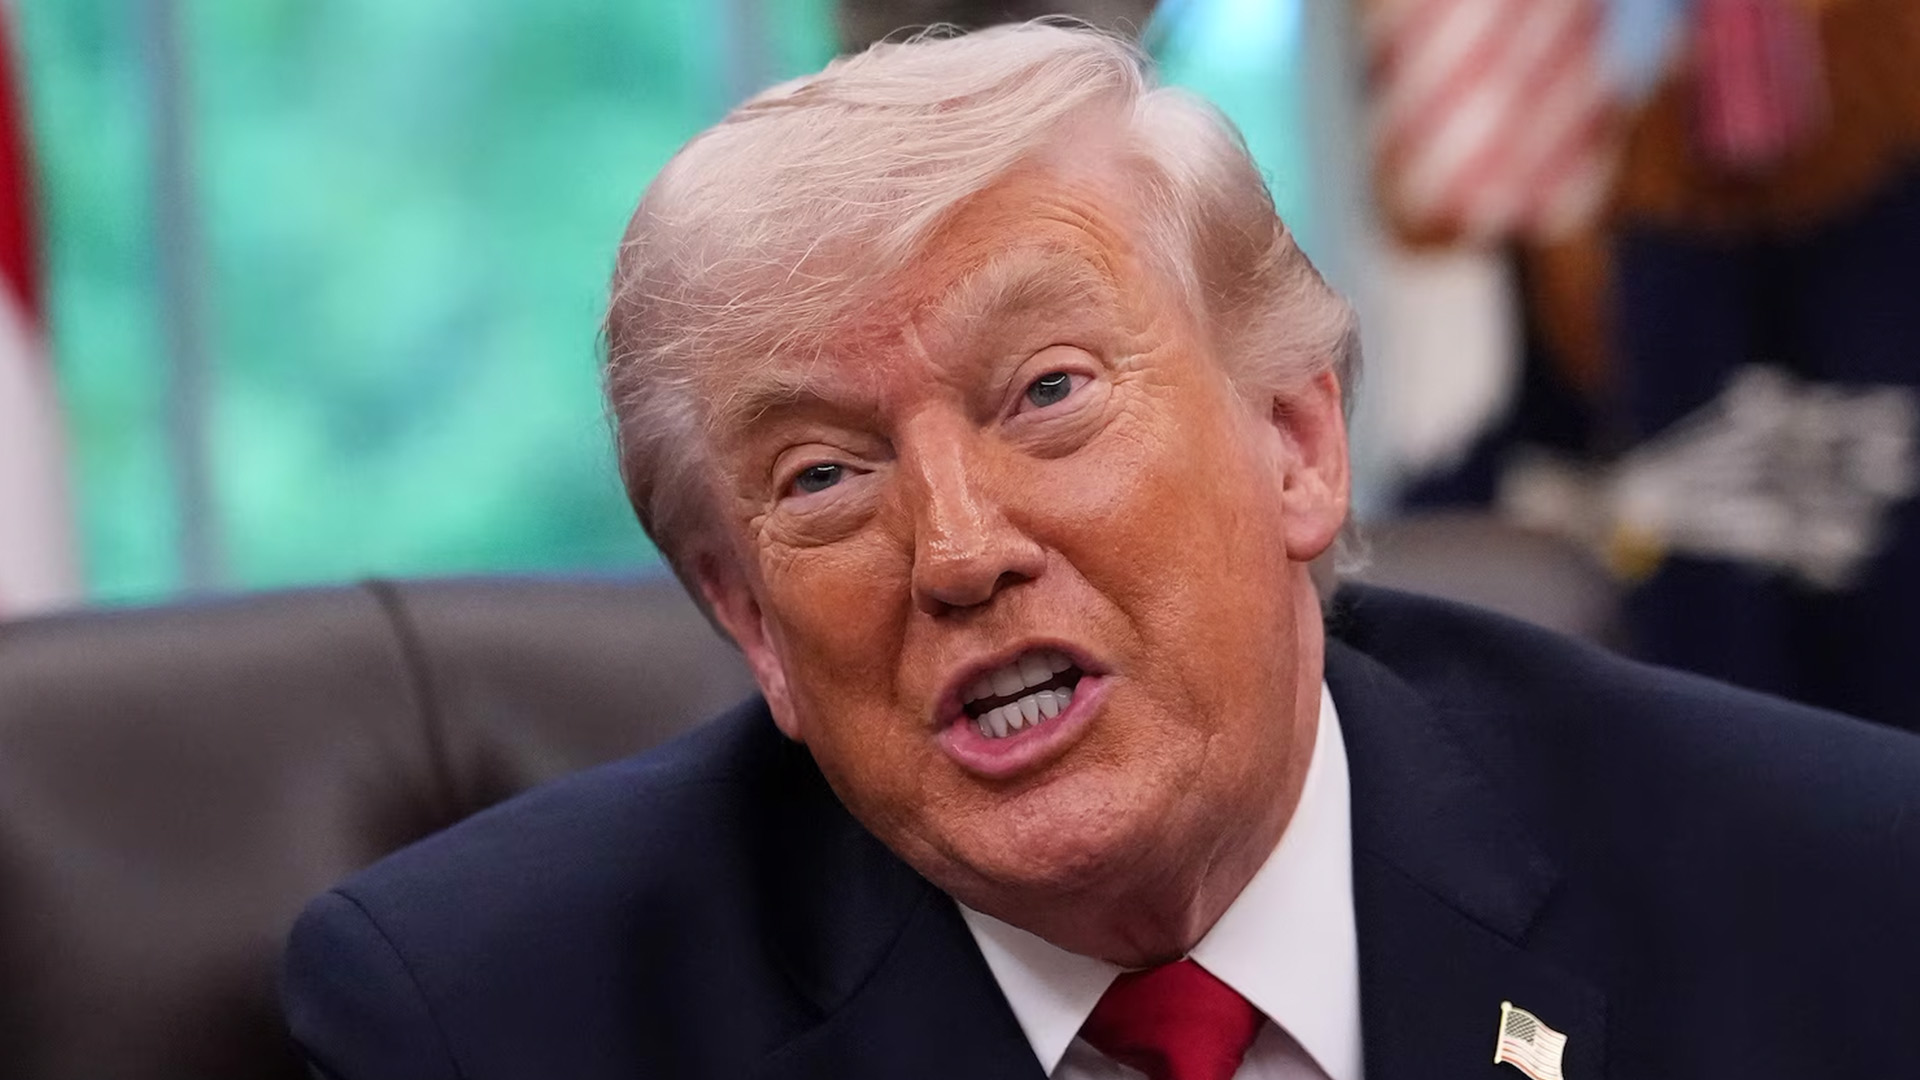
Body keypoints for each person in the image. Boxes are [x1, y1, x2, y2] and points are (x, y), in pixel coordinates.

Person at [281, 22, 1920, 1080]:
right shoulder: (484, 1027)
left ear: (1297, 443)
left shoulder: (1835, 889)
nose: (961, 551)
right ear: (749, 620)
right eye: (827, 475)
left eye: (1048, 392)